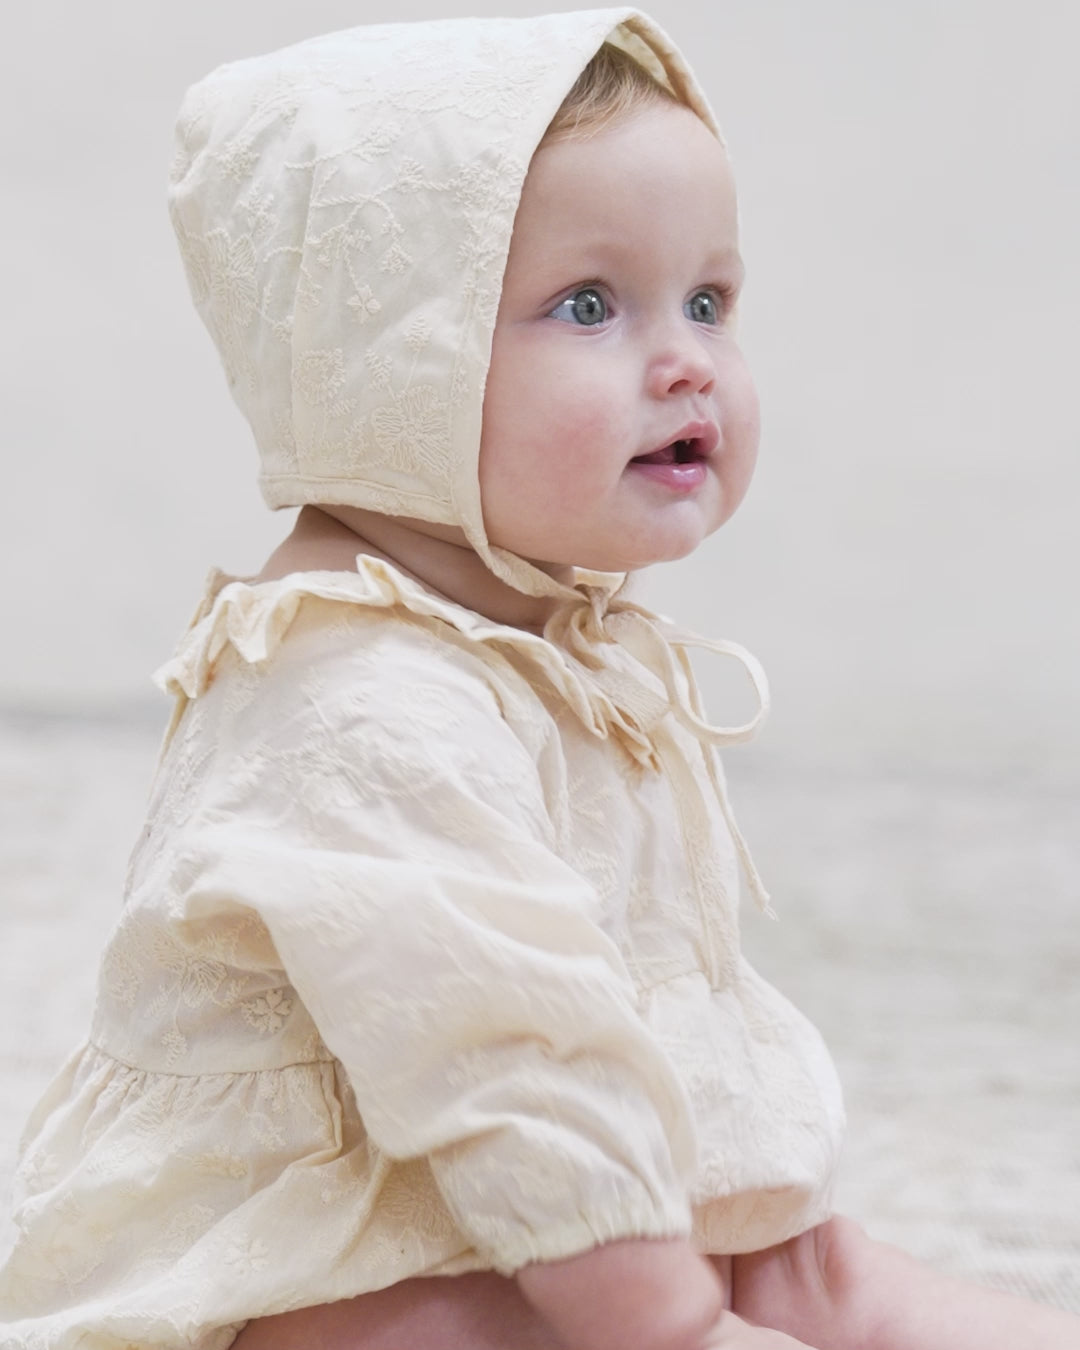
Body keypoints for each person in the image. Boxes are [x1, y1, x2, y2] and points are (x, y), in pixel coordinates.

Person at [0, 9, 1076, 1350]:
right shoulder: (354, 699)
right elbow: (504, 1045)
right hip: (321, 1241)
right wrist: (649, 1298)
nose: (686, 358)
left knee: (815, 1271)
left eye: (709, 300)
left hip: (573, 1191)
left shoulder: (553, 631)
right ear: (382, 367)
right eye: (590, 305)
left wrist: (696, 1239)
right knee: (434, 1325)